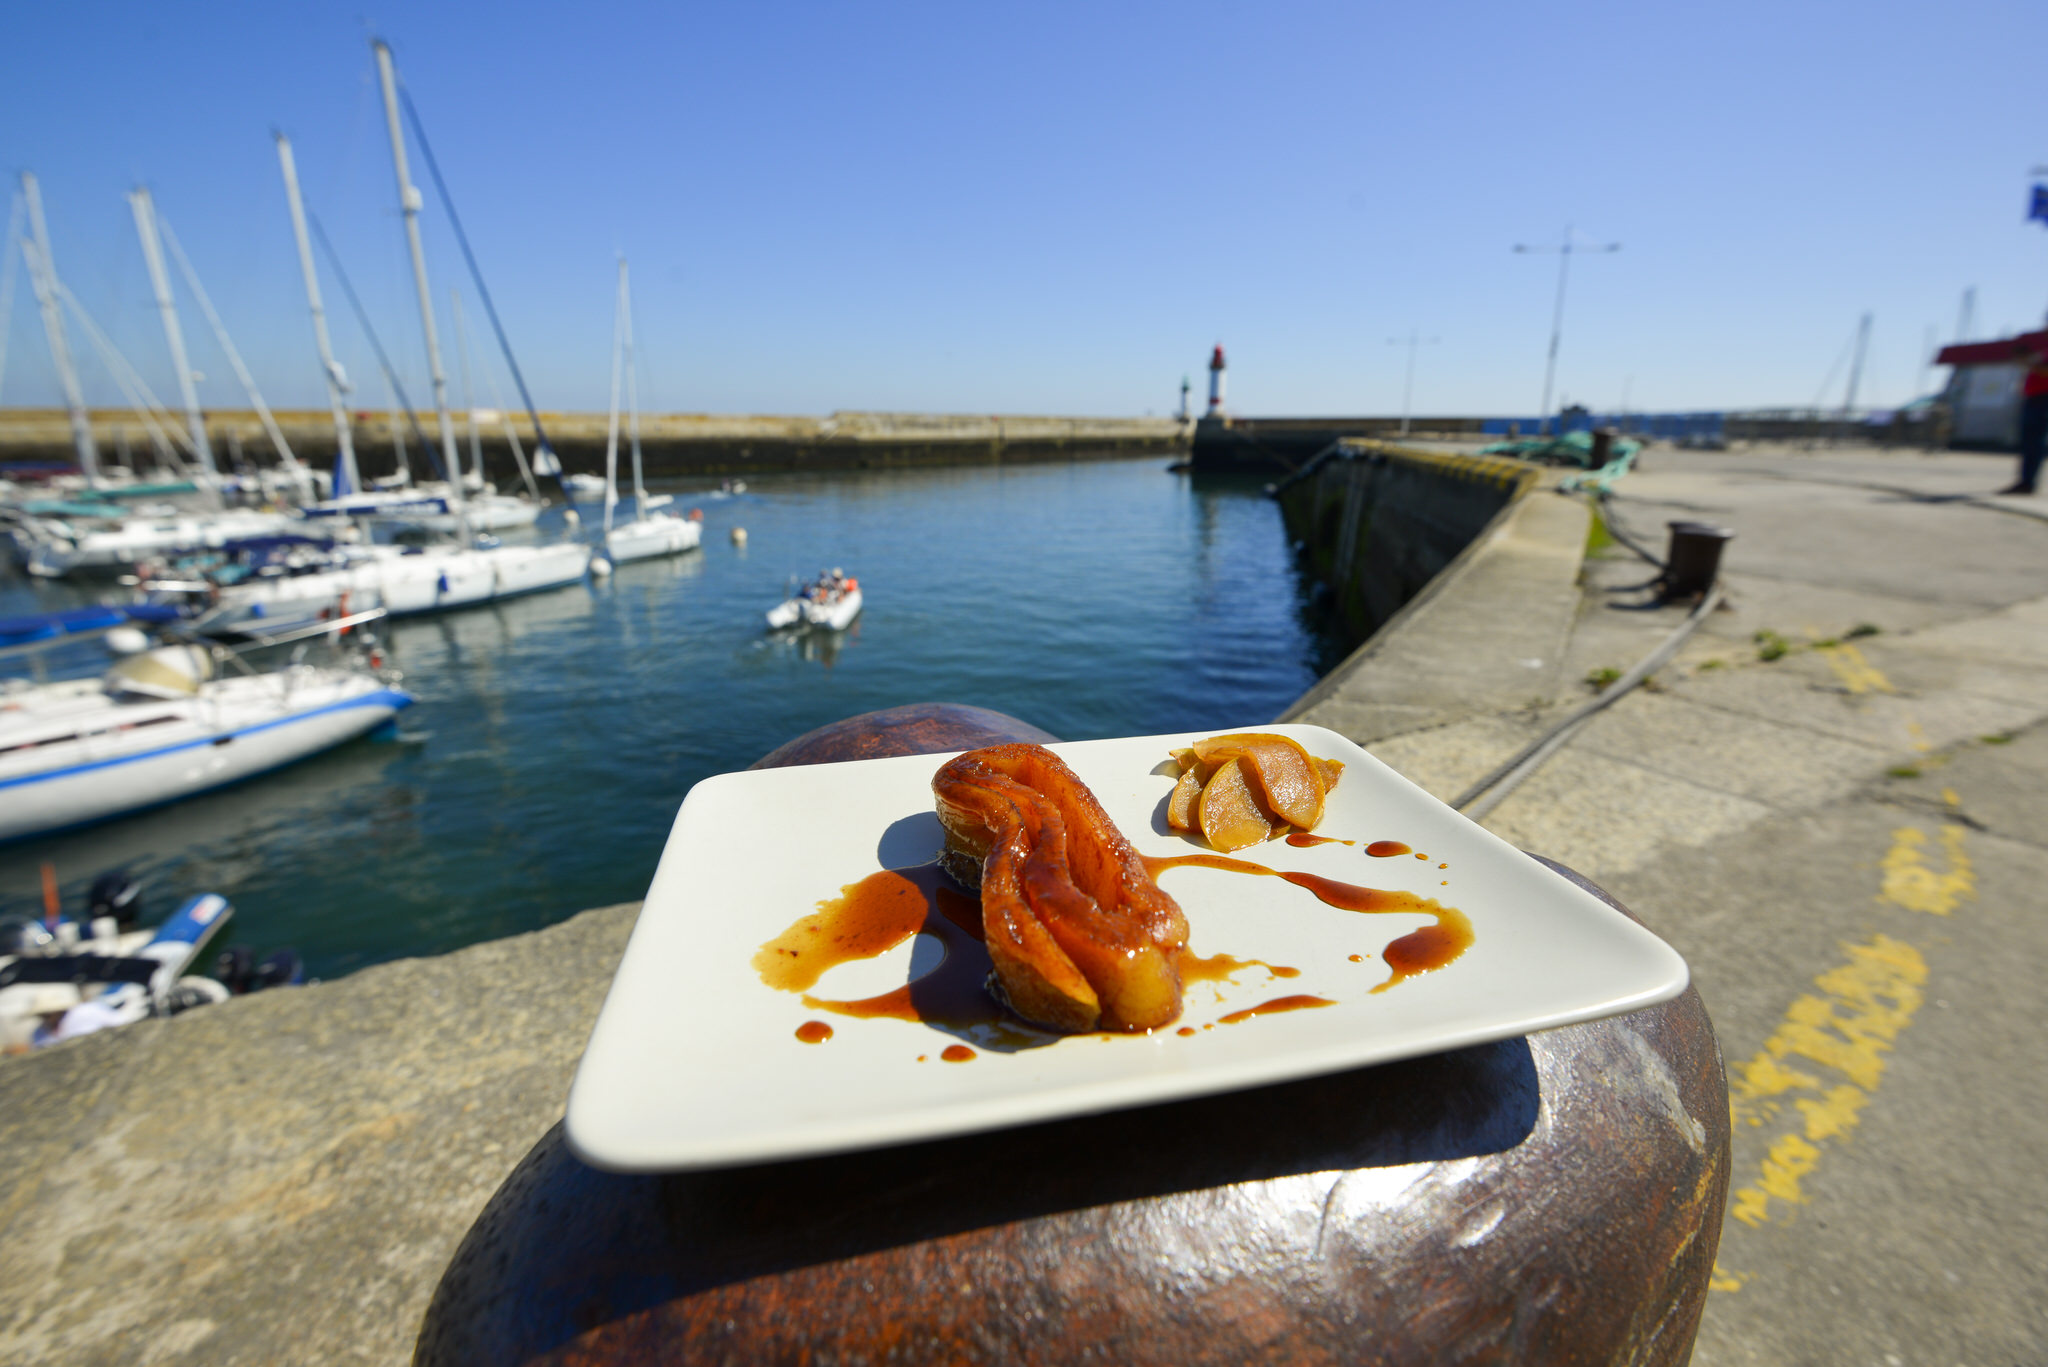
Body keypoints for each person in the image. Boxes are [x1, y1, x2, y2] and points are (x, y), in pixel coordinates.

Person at [2001, 335, 2048, 495]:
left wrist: (2028, 361)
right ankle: (2025, 481)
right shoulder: (2043, 350)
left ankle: (2028, 483)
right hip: (2035, 399)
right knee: (2030, 442)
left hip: (2042, 400)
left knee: (2034, 442)